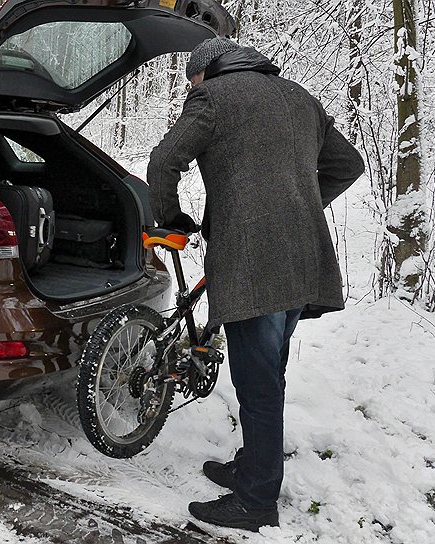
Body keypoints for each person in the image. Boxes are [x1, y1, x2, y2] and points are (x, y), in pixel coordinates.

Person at [146, 37, 365, 531]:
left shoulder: (212, 99)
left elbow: (163, 162)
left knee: (257, 383)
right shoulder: (299, 97)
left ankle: (256, 501)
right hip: (303, 257)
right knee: (269, 374)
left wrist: (172, 218)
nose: (189, 89)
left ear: (207, 72)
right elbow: (347, 165)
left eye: (190, 81)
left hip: (253, 261)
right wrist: (299, 204)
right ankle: (254, 466)